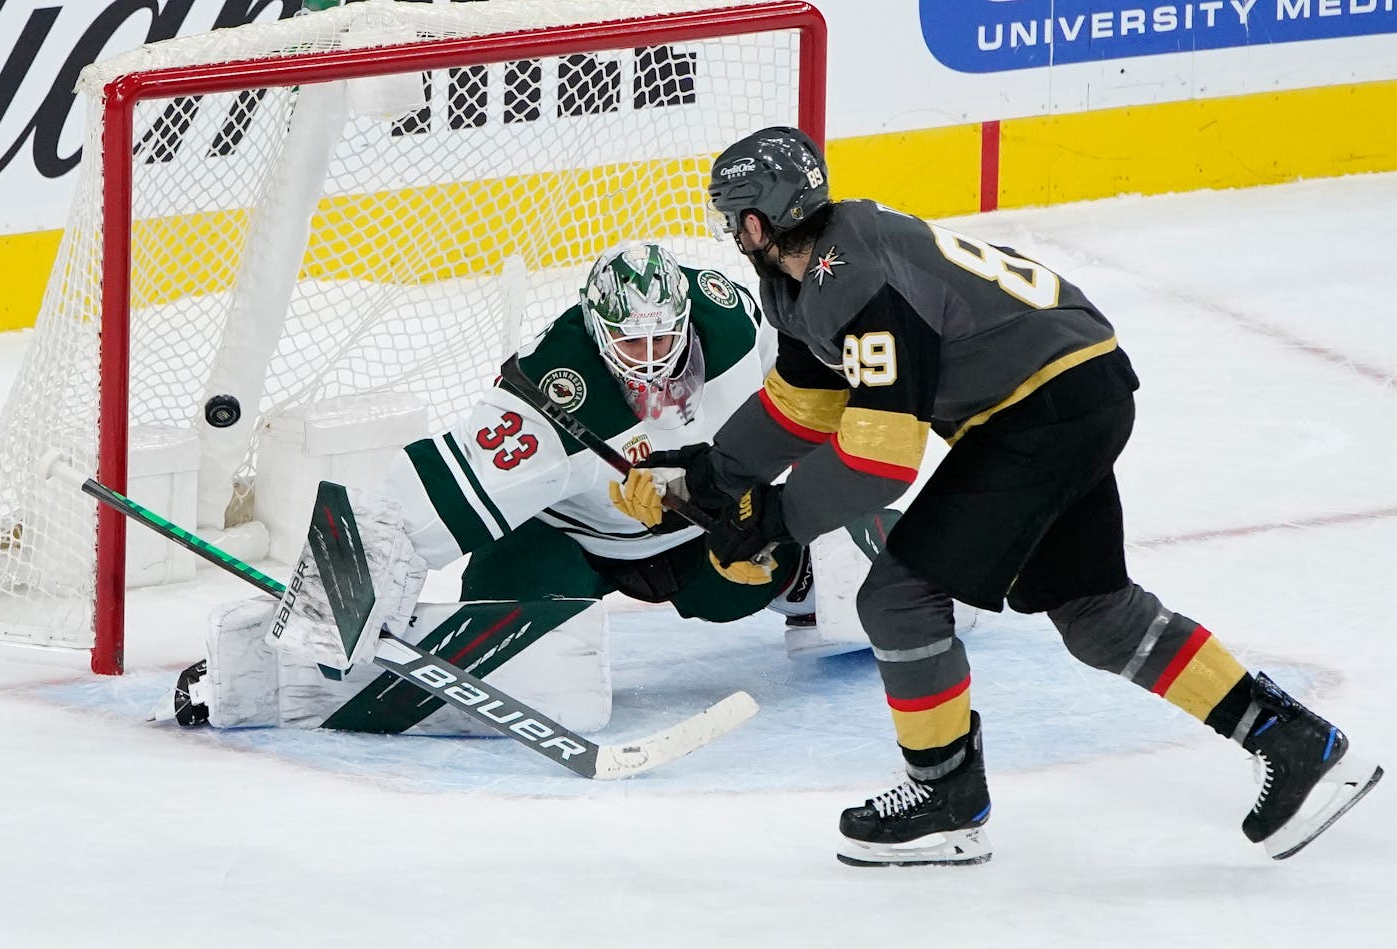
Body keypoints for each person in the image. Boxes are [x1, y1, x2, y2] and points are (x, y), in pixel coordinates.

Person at [610, 127, 1383, 865]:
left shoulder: (854, 280)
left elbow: (882, 460)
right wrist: (711, 475)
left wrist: (778, 520)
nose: (728, 233)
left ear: (754, 219)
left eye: (729, 218)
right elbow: (802, 404)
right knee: (1096, 614)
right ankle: (1288, 737)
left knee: (899, 597)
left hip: (1041, 411)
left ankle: (945, 799)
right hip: (1074, 386)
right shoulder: (811, 274)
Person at [161, 241, 913, 732]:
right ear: (594, 332)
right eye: (629, 344)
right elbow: (419, 505)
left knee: (740, 579)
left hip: (697, 524)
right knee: (501, 602)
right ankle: (288, 674)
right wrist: (326, 618)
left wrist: (793, 500)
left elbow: (814, 398)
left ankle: (820, 573)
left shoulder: (732, 323)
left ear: (688, 316)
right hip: (568, 537)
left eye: (663, 339)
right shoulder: (550, 396)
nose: (651, 361)